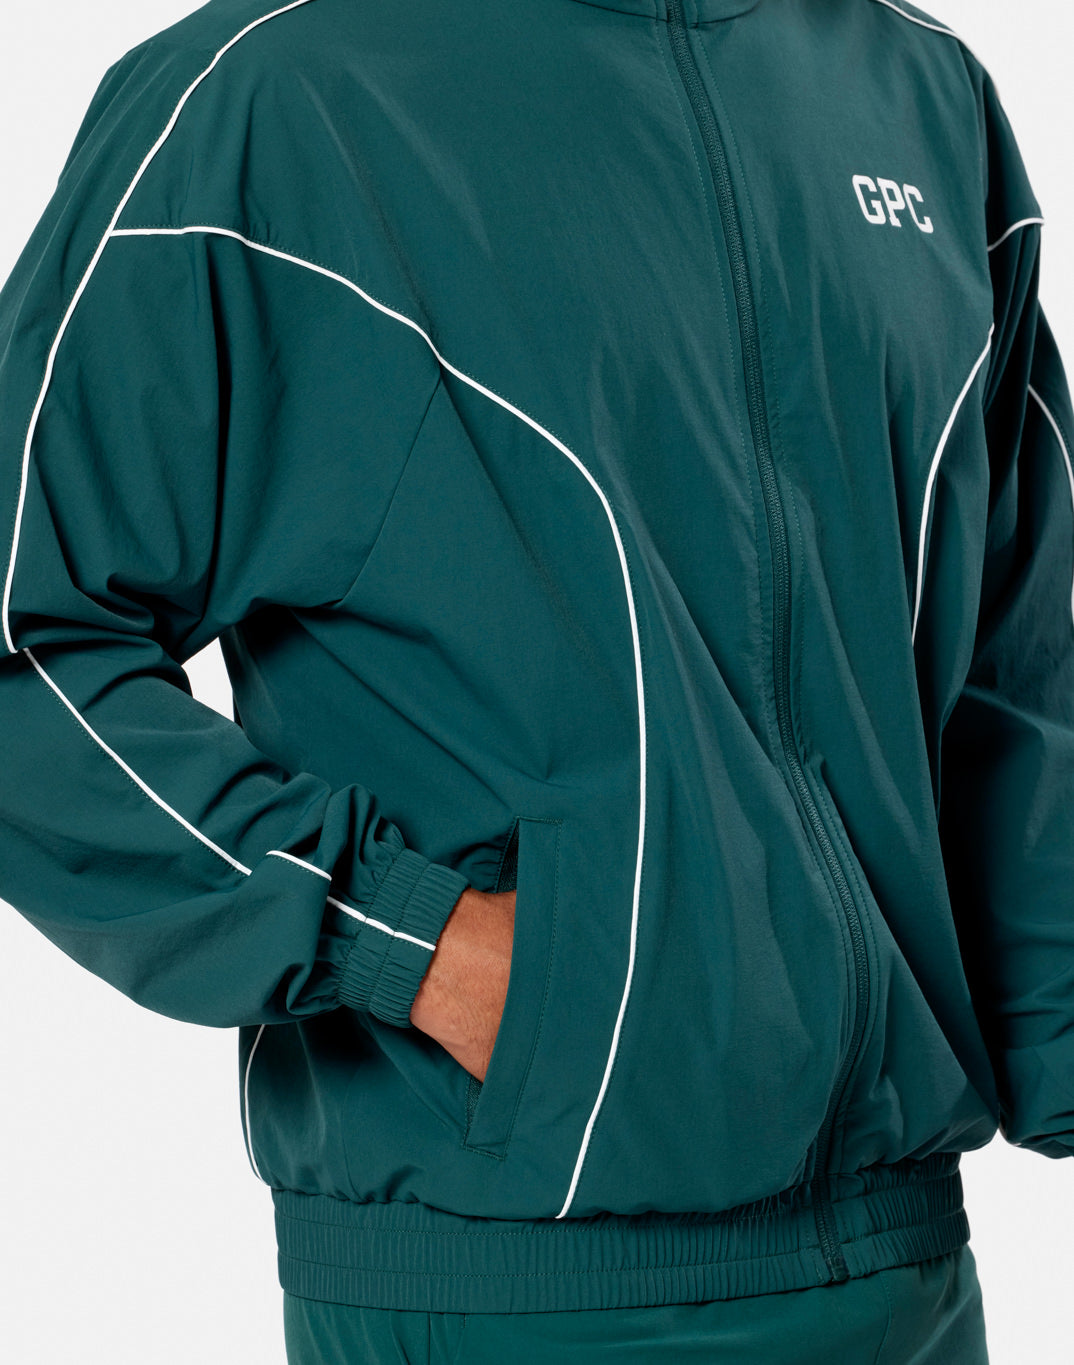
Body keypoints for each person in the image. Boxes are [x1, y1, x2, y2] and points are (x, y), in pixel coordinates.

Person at [1, 0, 1071, 1360]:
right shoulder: (272, 100)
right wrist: (405, 939)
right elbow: (22, 643)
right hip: (511, 1271)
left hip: (904, 1261)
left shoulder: (921, 93)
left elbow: (1018, 666)